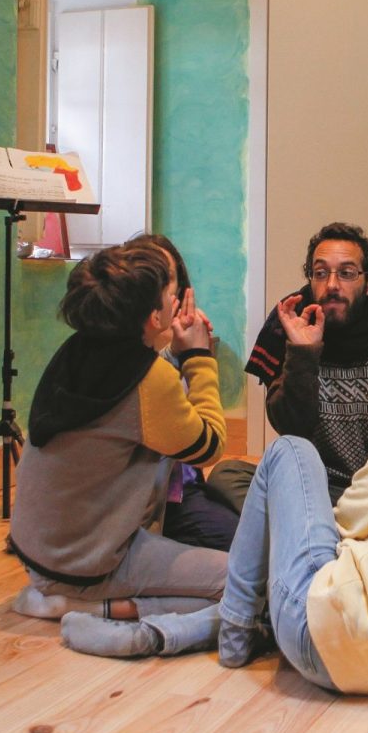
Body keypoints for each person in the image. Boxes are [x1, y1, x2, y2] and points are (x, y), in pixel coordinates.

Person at [63, 348, 368, 689]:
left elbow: (339, 528)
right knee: (288, 577)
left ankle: (233, 635)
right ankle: (159, 633)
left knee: (291, 450)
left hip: (319, 640)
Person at [6, 239, 229, 633]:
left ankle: (74, 597)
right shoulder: (148, 379)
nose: (177, 303)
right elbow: (208, 446)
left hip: (37, 553)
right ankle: (95, 609)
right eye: (171, 296)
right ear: (153, 317)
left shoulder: (74, 350)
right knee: (243, 580)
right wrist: (199, 358)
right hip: (86, 563)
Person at [240, 222, 368, 498]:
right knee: (228, 476)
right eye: (320, 273)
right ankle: (322, 524)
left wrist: (361, 493)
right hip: (309, 482)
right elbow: (289, 427)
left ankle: (310, 525)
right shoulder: (293, 323)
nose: (331, 285)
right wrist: (302, 353)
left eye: (346, 273)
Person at [127, 232, 242, 553]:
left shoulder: (162, 353)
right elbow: (207, 447)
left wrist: (185, 352)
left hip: (183, 483)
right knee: (249, 552)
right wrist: (198, 358)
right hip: (152, 503)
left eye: (168, 279)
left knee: (236, 484)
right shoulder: (132, 365)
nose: (162, 290)